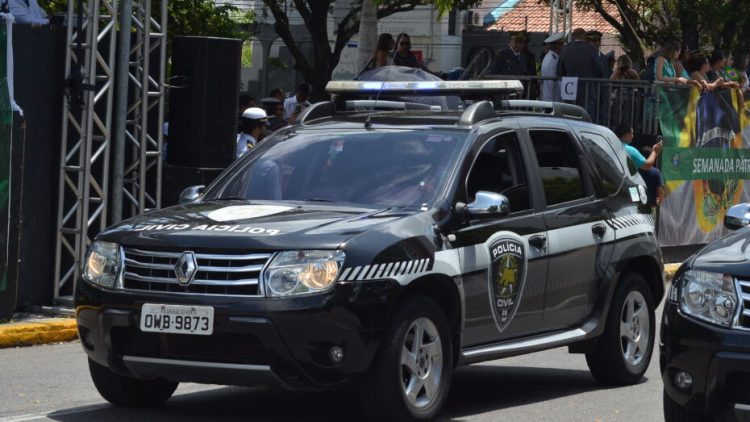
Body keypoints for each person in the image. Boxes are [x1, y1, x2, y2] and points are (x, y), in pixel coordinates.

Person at [557, 28, 606, 113]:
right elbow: (600, 71)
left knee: (570, 115)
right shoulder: (590, 50)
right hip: (587, 90)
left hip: (569, 89)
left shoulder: (565, 49)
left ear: (573, 36)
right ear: (584, 36)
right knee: (586, 118)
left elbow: (559, 72)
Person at [540, 33, 565, 102]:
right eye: (562, 43)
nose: (563, 46)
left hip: (552, 97)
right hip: (551, 99)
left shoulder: (553, 57)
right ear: (557, 45)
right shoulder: (551, 60)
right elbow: (550, 82)